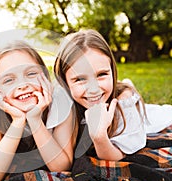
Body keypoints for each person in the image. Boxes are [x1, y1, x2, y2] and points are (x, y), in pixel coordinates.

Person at [0, 40, 75, 181]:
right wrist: (18, 121)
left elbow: (61, 167)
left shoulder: (60, 101)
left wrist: (35, 119)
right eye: (8, 80)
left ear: (45, 76)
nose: (23, 85)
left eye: (31, 73)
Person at [54, 29, 147, 161]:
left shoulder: (123, 103)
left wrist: (100, 137)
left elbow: (117, 156)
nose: (93, 89)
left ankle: (126, 84)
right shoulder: (64, 101)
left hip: (141, 114)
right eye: (80, 79)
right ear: (65, 82)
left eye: (101, 74)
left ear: (112, 71)